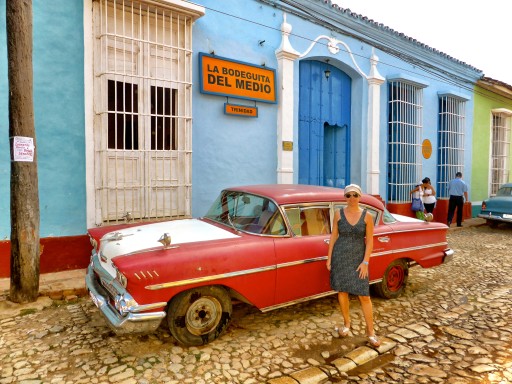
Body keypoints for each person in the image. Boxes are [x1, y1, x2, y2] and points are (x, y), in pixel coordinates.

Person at [326, 184, 380, 347]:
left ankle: (371, 332)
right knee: (342, 291)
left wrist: (365, 262)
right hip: (340, 257)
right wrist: (329, 259)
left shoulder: (367, 216)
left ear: (360, 197)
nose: (351, 198)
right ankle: (347, 324)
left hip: (359, 259)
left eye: (355, 195)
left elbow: (370, 241)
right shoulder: (338, 214)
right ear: (345, 197)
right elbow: (333, 236)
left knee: (364, 295)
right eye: (348, 195)